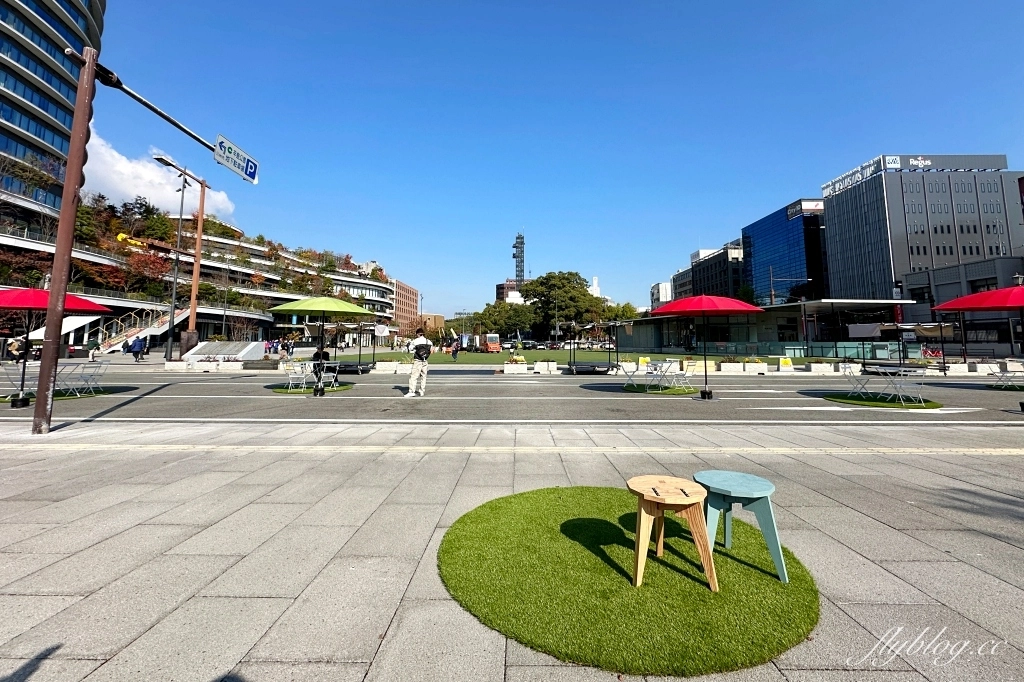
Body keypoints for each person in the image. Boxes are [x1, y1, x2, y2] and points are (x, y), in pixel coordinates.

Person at [405, 328, 433, 397]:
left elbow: (410, 348)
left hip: (418, 360)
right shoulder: (428, 341)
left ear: (418, 334)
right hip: (425, 360)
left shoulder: (415, 341)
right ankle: (422, 391)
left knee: (414, 376)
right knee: (423, 376)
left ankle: (412, 391)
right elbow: (431, 350)